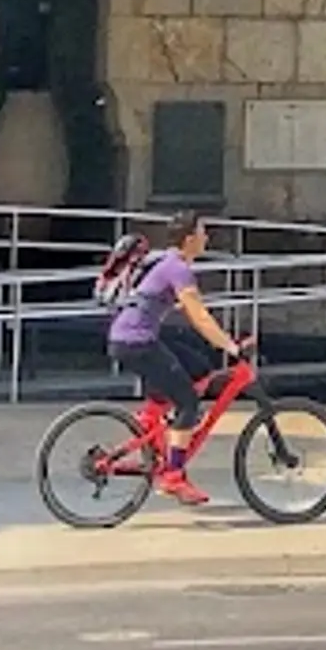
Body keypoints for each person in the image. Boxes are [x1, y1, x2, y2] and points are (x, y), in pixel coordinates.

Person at [104, 210, 243, 505]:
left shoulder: (165, 261)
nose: (208, 237)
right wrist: (231, 346)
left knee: (199, 367)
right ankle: (173, 477)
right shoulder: (178, 268)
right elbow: (200, 317)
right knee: (188, 402)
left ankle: (152, 420)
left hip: (132, 338)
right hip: (136, 342)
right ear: (191, 238)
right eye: (204, 232)